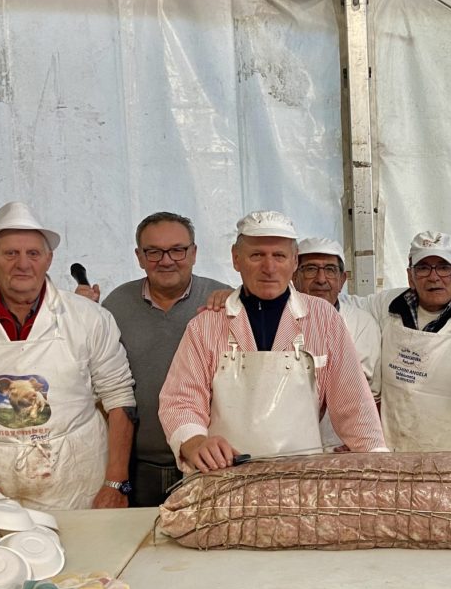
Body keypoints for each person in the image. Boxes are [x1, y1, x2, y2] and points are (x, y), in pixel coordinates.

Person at [0, 201, 136, 511]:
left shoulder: (89, 317)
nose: (23, 264)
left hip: (79, 485)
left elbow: (119, 398)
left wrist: (115, 483)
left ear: (49, 259)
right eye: (10, 254)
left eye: (33, 253)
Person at [159, 210, 385, 473]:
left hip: (302, 479)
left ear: (294, 261)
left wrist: (378, 465)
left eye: (279, 256)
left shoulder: (323, 318)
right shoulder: (206, 325)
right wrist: (194, 441)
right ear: (236, 259)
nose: (269, 268)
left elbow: (355, 406)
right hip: (224, 478)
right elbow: (181, 400)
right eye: (257, 256)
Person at [86, 212, 230, 507]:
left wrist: (241, 300)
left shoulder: (222, 301)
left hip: (207, 465)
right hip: (136, 467)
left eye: (177, 250)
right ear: (139, 257)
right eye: (153, 252)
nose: (166, 261)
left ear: (194, 253)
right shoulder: (116, 305)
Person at [352, 231, 451, 453]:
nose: (433, 277)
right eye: (423, 268)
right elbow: (342, 308)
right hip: (393, 455)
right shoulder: (385, 305)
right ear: (410, 276)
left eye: (443, 267)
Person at [294, 236, 381, 450]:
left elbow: (372, 395)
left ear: (342, 279)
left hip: (343, 447)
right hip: (287, 446)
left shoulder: (362, 324)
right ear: (294, 276)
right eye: (310, 269)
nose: (321, 279)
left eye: (330, 270)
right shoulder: (278, 318)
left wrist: (360, 441)